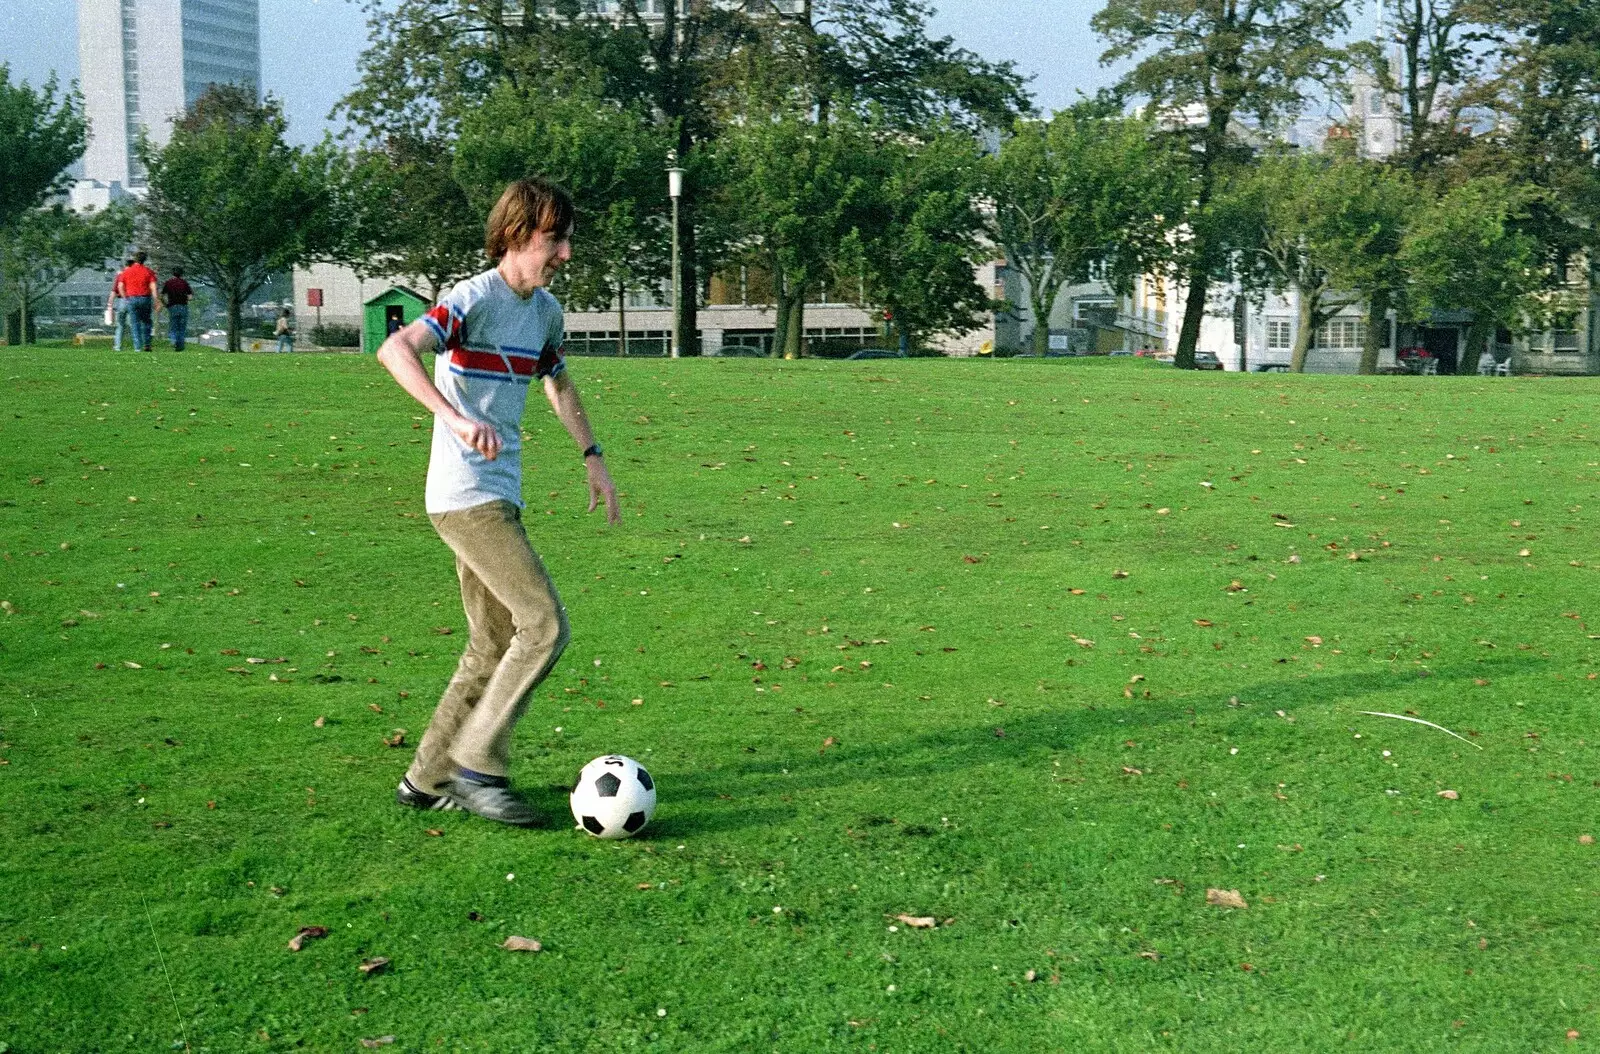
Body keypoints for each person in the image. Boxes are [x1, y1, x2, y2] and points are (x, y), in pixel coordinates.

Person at [376, 177, 619, 826]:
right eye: (554, 239)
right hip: (464, 497)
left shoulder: (543, 313)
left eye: (567, 240)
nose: (565, 253)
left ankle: (424, 779)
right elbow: (395, 349)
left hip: (499, 495)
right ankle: (478, 764)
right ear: (516, 235)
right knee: (543, 625)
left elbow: (559, 386)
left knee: (491, 642)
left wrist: (593, 458)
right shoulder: (472, 300)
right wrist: (451, 418)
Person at [120, 251, 159, 351]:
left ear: (135, 259)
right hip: (145, 298)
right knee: (147, 322)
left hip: (132, 299)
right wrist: (156, 300)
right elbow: (153, 287)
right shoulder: (148, 271)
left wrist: (125, 298)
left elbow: (120, 286)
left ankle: (137, 347)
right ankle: (147, 343)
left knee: (135, 323)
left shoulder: (127, 272)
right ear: (144, 260)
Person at [162, 268, 193, 351]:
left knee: (173, 325)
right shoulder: (185, 283)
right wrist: (184, 297)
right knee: (182, 327)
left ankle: (174, 340)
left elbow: (162, 295)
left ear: (173, 274)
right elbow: (190, 297)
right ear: (181, 274)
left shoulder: (168, 283)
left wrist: (166, 304)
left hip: (172, 306)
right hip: (183, 306)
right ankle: (181, 345)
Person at [106, 258, 132, 351]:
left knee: (121, 325)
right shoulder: (135, 274)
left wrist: (110, 304)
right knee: (135, 324)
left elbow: (114, 290)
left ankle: (118, 346)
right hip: (133, 299)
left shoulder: (120, 275)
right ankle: (138, 345)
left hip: (122, 301)